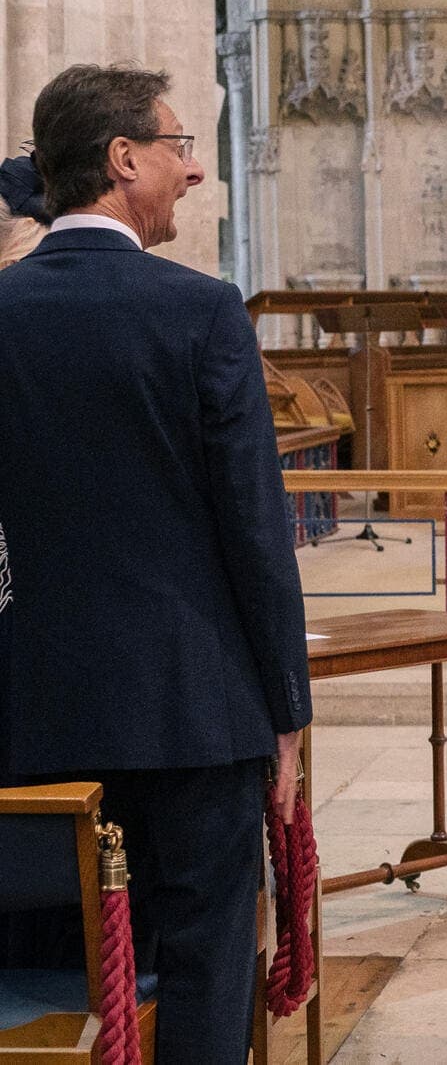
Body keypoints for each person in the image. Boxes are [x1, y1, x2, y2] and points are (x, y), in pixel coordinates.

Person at [0, 64, 311, 1062]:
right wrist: (287, 713)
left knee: (48, 970)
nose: (190, 171)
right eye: (178, 147)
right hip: (192, 705)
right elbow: (254, 532)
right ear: (122, 157)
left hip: (30, 707)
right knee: (207, 962)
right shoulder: (199, 309)